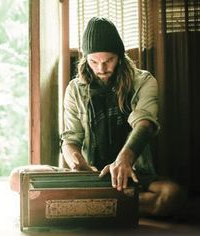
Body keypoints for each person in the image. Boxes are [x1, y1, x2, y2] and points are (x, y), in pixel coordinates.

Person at [60, 17, 186, 217]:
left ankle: (97, 205)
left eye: (108, 60)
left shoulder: (144, 81)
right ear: (85, 59)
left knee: (172, 196)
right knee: (17, 178)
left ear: (119, 56)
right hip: (93, 174)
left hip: (134, 173)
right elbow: (70, 139)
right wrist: (77, 163)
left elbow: (145, 124)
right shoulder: (74, 89)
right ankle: (116, 204)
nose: (101, 69)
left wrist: (124, 159)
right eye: (94, 61)